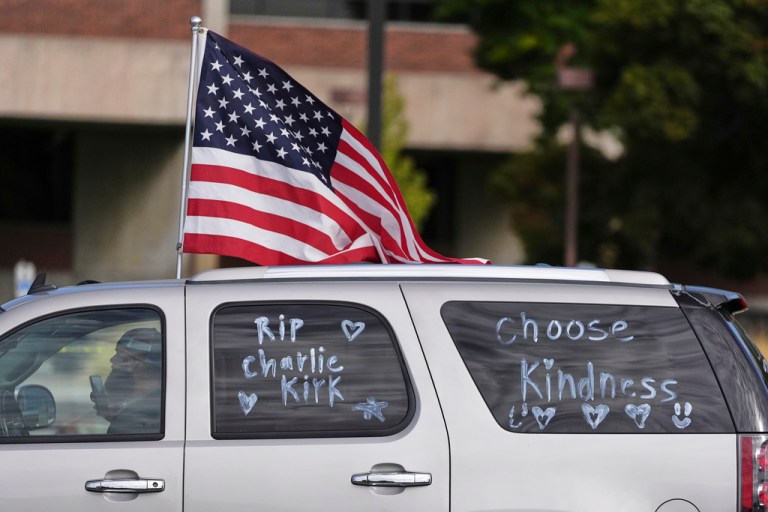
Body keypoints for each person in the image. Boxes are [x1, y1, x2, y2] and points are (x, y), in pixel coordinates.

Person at [91, 327, 162, 434]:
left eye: (119, 355)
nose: (112, 359)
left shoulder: (136, 418)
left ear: (136, 363)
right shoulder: (159, 404)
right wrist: (112, 415)